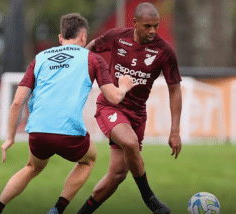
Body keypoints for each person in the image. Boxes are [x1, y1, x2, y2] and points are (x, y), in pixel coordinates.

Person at [0, 13, 135, 214]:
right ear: (83, 37)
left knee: (31, 167)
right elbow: (114, 97)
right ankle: (57, 209)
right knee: (89, 159)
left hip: (38, 130)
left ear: (60, 38)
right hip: (69, 132)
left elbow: (17, 102)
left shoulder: (40, 58)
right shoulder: (93, 59)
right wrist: (124, 87)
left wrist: (10, 138)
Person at [77, 2, 182, 214]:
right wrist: (76, 68)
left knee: (116, 176)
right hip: (111, 105)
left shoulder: (164, 51)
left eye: (156, 25)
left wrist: (175, 131)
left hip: (137, 115)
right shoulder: (117, 36)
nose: (153, 30)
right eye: (147, 26)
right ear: (134, 23)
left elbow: (174, 90)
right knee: (130, 142)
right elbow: (91, 48)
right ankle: (150, 198)